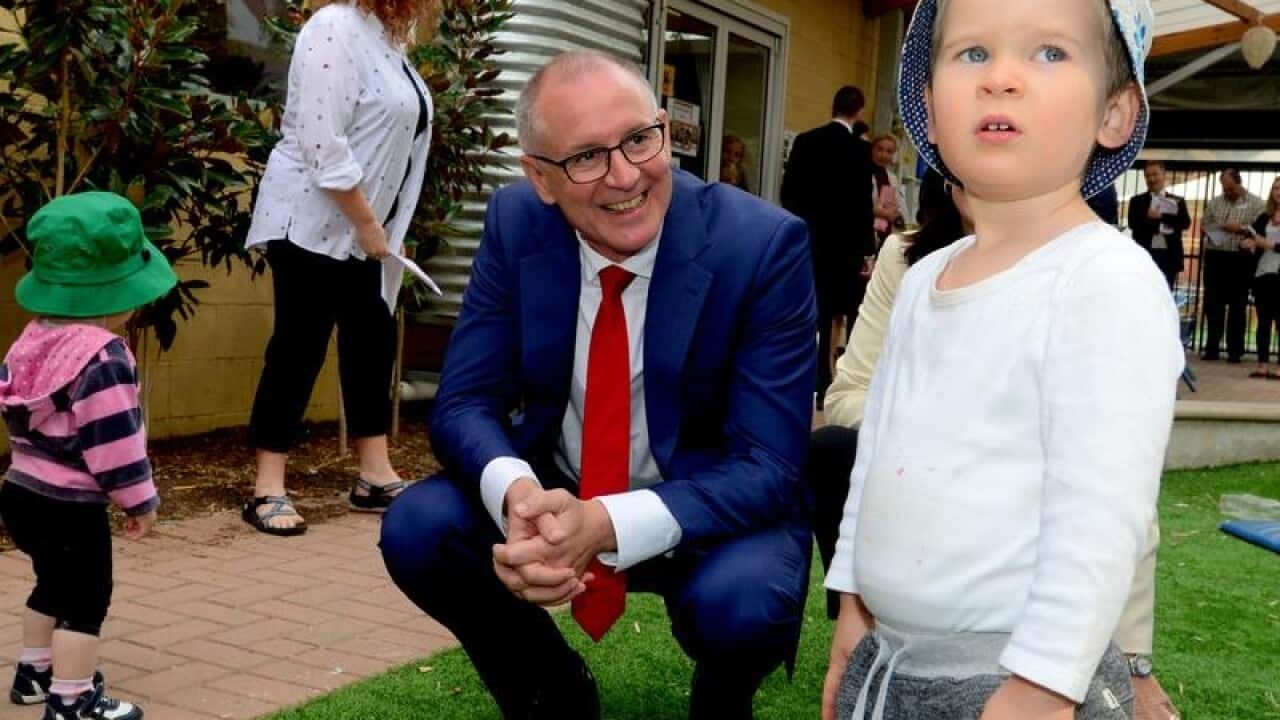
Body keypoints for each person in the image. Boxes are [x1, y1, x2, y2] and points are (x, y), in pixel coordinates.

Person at [379, 50, 816, 720]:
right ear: (540, 178)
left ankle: (722, 699)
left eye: (640, 140)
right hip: (562, 486)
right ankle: (550, 689)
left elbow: (771, 466)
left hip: (709, 508)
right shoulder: (516, 222)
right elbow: (465, 401)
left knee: (745, 604)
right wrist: (519, 493)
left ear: (666, 129)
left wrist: (606, 522)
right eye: (586, 157)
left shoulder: (762, 246)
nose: (624, 176)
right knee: (418, 527)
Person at [822, 2, 1184, 720]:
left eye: (1049, 53)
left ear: (1114, 113)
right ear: (928, 103)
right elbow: (878, 457)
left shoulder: (1104, 279)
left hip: (1017, 676)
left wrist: (1042, 687)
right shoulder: (926, 276)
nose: (1001, 80)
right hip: (895, 657)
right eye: (972, 54)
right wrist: (853, 609)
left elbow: (1102, 516)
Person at [242, 0, 438, 534]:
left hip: (361, 228)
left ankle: (374, 475)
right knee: (298, 347)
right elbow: (323, 141)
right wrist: (369, 224)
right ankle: (267, 487)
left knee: (371, 341)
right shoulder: (334, 27)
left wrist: (382, 228)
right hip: (310, 220)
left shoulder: (387, 42)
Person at [2, 192, 176, 720]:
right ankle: (72, 698)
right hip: (70, 505)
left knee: (51, 583)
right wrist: (139, 501)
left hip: (21, 491)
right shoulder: (104, 356)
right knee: (85, 598)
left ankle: (34, 673)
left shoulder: (31, 339)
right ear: (116, 294)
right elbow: (113, 442)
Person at [781, 86, 876, 409]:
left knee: (815, 312)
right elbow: (863, 204)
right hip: (845, 245)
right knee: (847, 312)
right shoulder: (860, 152)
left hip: (812, 241)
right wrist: (867, 248)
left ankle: (813, 377)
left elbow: (789, 192)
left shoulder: (806, 142)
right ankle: (839, 384)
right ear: (858, 111)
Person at [1200, 168, 1265, 362]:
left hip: (1240, 258)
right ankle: (1212, 348)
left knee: (1238, 305)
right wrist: (1213, 228)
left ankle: (1235, 351)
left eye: (1231, 188)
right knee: (1213, 304)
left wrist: (1241, 229)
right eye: (1224, 188)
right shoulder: (1215, 202)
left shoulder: (1256, 203)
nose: (1228, 192)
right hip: (1216, 256)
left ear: (1239, 182)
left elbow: (1260, 230)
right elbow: (1204, 223)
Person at [1128, 161, 1191, 289]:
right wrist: (1148, 217)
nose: (1152, 179)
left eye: (1155, 174)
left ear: (1163, 174)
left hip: (1169, 257)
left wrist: (1162, 216)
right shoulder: (1137, 201)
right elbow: (1132, 224)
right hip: (1145, 256)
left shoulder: (1177, 201)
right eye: (1147, 176)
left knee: (1166, 294)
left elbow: (1185, 223)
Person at [1244, 177, 1280, 379]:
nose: (1278, 192)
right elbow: (1252, 236)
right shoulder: (1264, 217)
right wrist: (1250, 244)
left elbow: (1266, 242)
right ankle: (1262, 364)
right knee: (1264, 320)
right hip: (1263, 273)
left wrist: (1268, 244)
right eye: (1275, 188)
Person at [870, 134, 908, 244]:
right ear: (872, 150)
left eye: (889, 151)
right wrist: (883, 213)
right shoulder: (863, 174)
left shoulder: (892, 179)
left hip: (885, 235)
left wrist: (896, 214)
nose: (884, 155)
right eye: (880, 149)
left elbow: (899, 207)